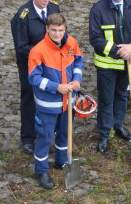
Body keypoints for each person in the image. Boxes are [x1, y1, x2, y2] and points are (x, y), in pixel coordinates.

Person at [89, 0, 131, 154]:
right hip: (106, 65)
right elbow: (95, 38)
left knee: (122, 95)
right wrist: (119, 50)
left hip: (127, 63)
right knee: (106, 99)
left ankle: (118, 125)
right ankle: (105, 133)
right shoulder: (98, 9)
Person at [28, 13, 84, 189]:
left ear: (65, 28)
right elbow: (34, 78)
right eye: (53, 30)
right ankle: (42, 171)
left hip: (68, 101)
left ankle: (62, 161)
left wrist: (77, 80)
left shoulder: (72, 43)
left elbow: (78, 62)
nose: (57, 34)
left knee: (64, 133)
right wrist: (56, 87)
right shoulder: (37, 51)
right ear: (47, 29)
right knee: (44, 137)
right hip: (48, 105)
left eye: (60, 30)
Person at [11, 0, 60, 154]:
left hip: (51, 63)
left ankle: (49, 132)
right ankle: (28, 138)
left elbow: (60, 31)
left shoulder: (54, 8)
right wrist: (41, 54)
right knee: (29, 99)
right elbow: (21, 47)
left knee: (50, 96)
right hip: (30, 65)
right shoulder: (22, 16)